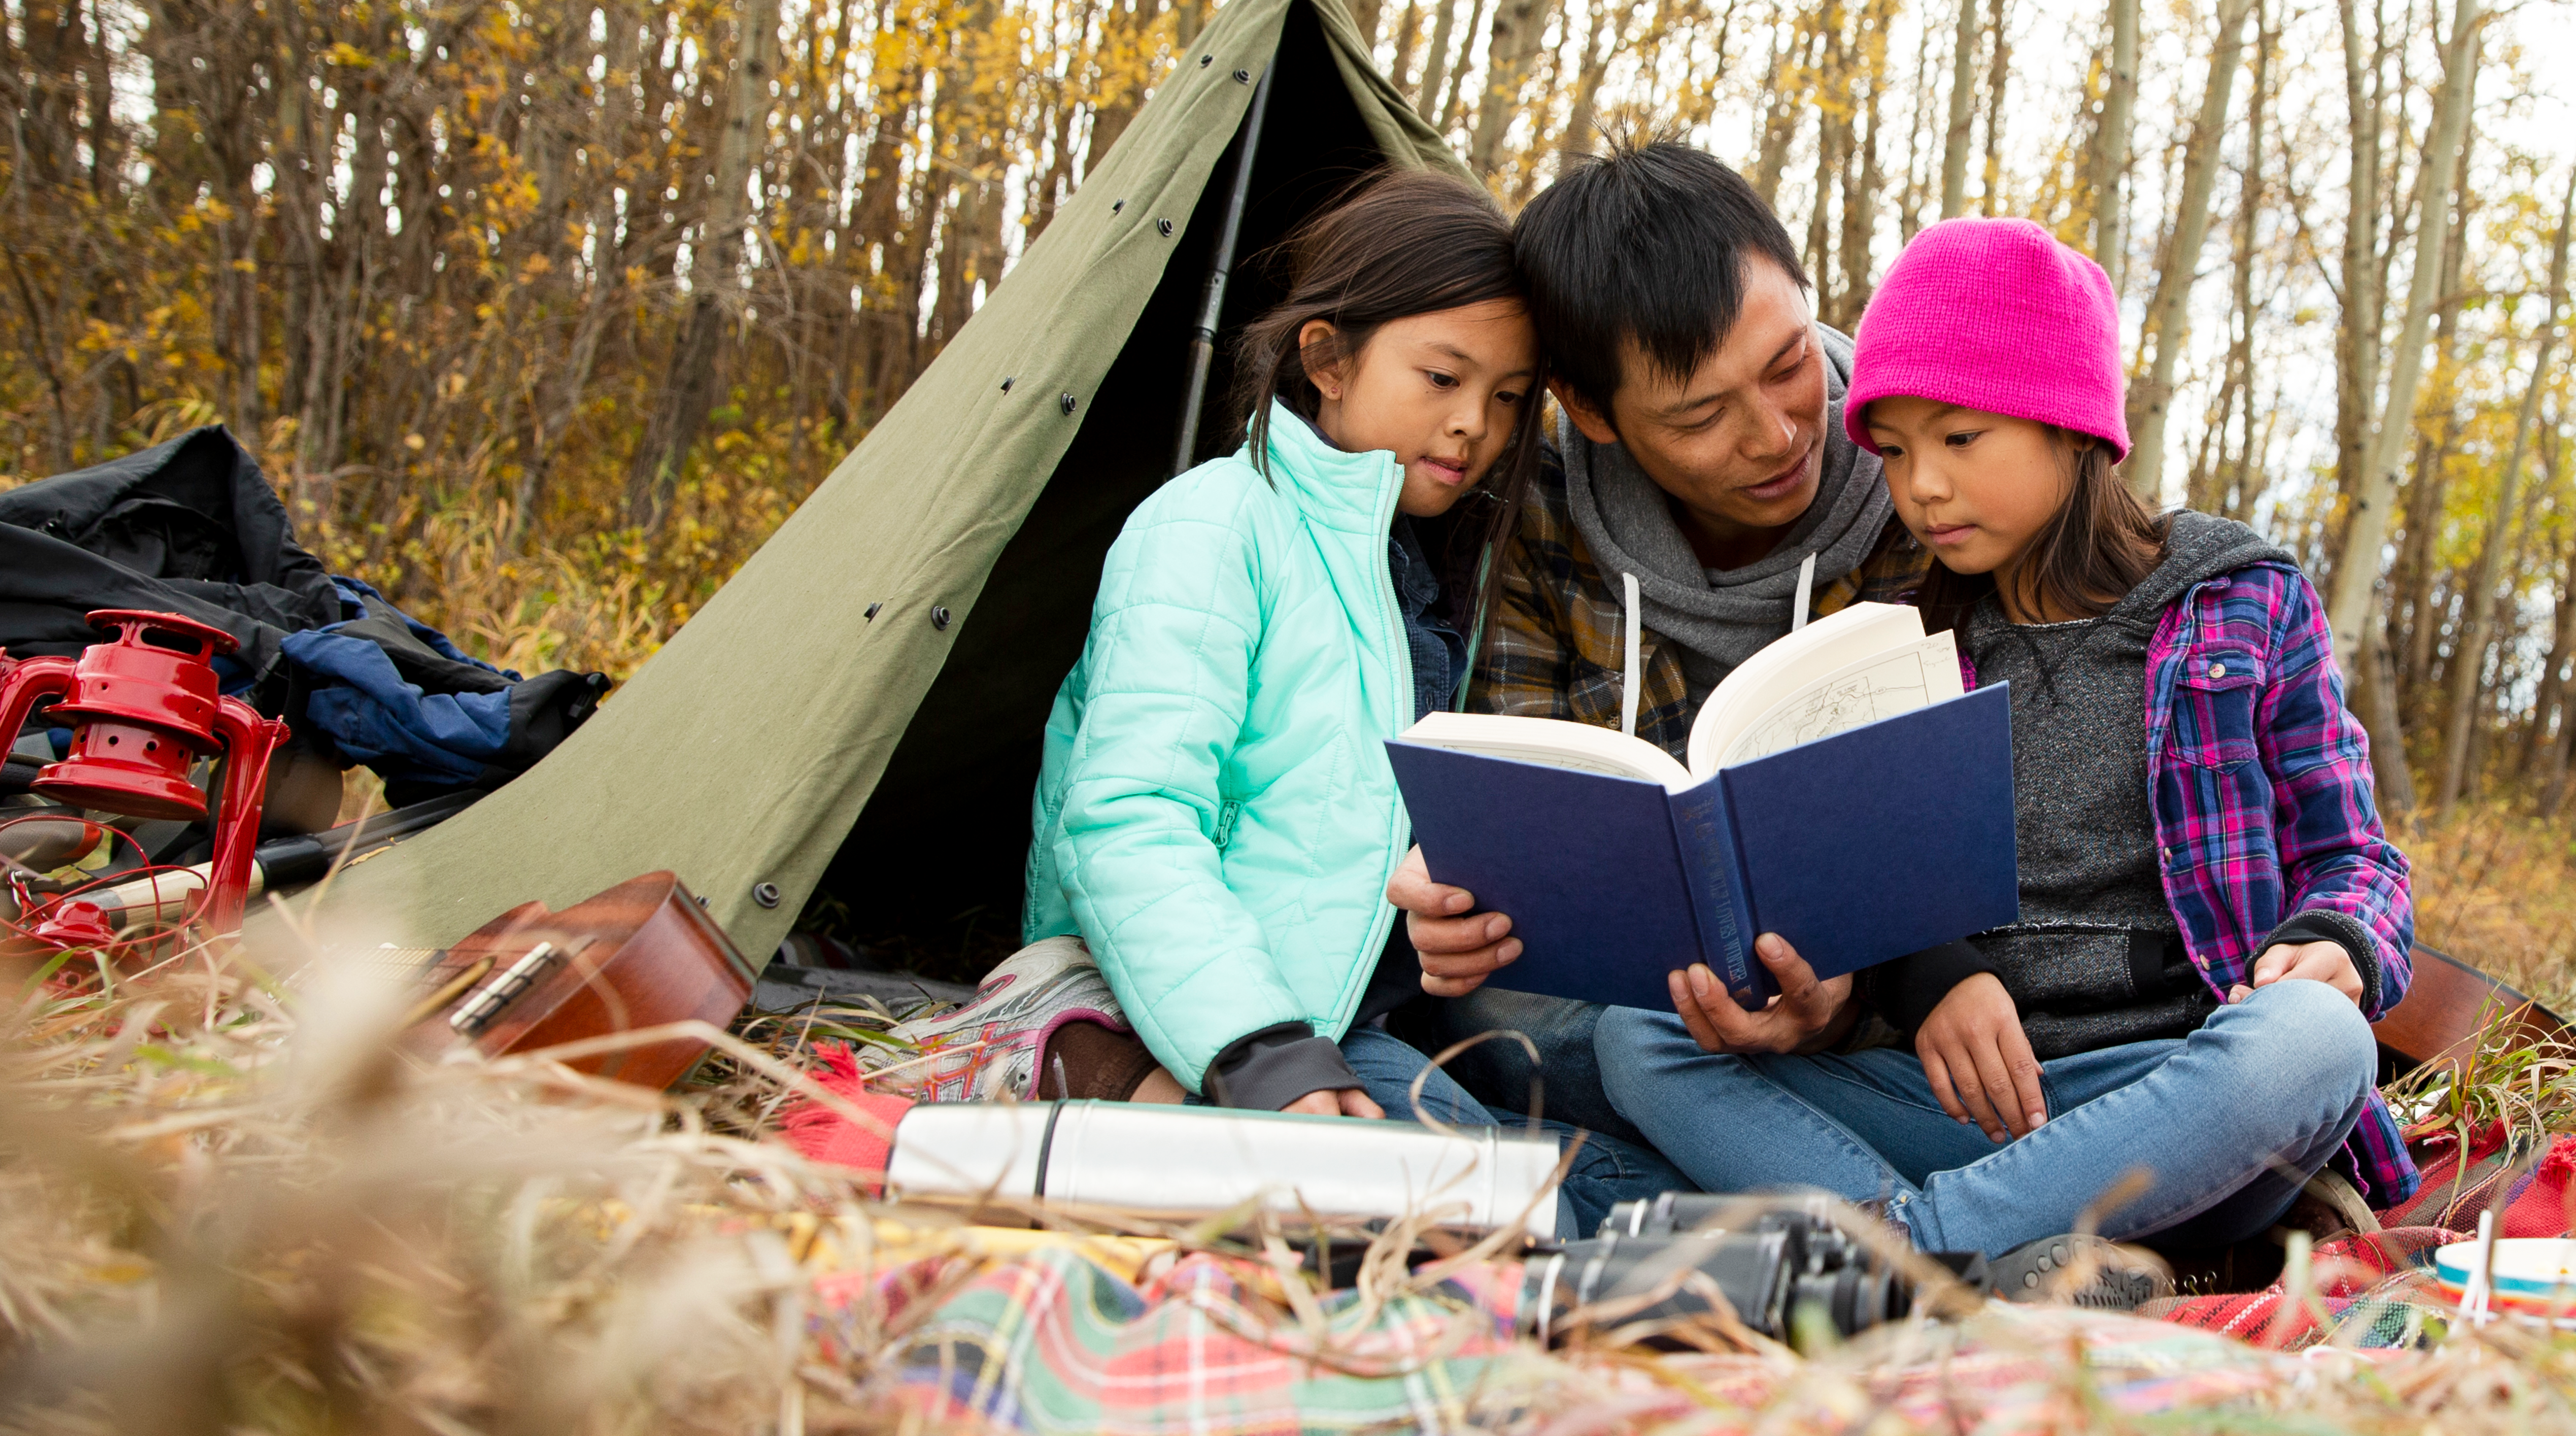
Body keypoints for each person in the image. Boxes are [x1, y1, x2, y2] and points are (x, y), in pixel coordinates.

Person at [1591, 217, 2416, 1274]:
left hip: (2187, 1104)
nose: (1921, 485)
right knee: (1637, 1032)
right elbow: (1860, 902)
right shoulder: (1901, 641)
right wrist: (1929, 975)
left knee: (2321, 1040)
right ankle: (1995, 1256)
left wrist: (2338, 943)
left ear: (2070, 425)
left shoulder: (2241, 602)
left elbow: (2358, 856)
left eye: (1959, 438)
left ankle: (1900, 1255)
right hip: (1970, 1110)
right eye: (1893, 452)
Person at [1000, 168, 1684, 1231]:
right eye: (1442, 377)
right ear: (1326, 358)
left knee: (1639, 1169)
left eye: (1507, 398)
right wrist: (1259, 1045)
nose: (1473, 426)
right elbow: (1125, 816)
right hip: (1232, 1013)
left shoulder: (1422, 567)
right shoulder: (1213, 528)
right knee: (1518, 1212)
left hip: (1385, 1005)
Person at [1389, 138, 1929, 1131]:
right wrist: (1462, 904)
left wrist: (1847, 995)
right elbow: (1531, 813)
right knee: (1493, 1007)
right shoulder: (1535, 507)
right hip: (1623, 997)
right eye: (1698, 416)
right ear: (1590, 410)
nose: (1775, 435)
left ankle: (1755, 1133)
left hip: (1875, 990)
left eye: (1789, 362)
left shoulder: (1920, 479)